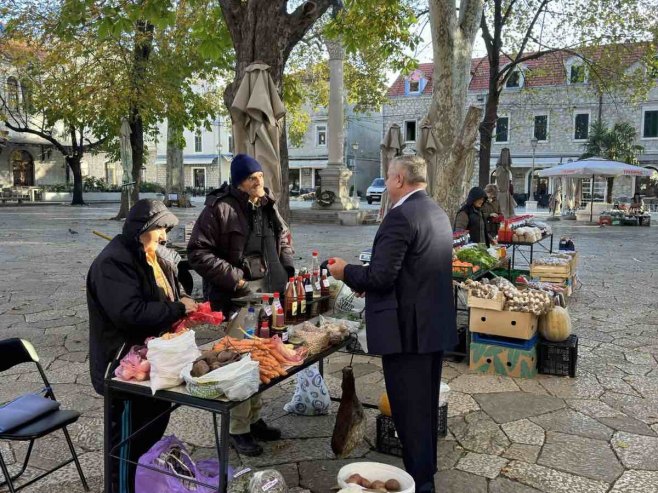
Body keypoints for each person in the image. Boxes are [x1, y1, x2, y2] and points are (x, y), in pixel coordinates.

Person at [328, 155, 456, 493]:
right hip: (431, 327)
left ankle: (421, 483)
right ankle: (425, 471)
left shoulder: (400, 217)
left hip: (407, 332)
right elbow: (412, 272)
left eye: (387, 176)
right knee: (424, 408)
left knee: (409, 412)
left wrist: (345, 272)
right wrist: (365, 279)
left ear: (399, 178)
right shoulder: (437, 212)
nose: (386, 182)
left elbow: (382, 276)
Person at [87, 199, 198, 493]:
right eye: (161, 228)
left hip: (152, 362)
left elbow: (174, 287)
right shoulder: (113, 262)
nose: (164, 235)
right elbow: (130, 313)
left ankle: (143, 484)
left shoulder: (151, 254)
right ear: (143, 228)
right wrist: (177, 309)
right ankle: (121, 489)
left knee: (150, 433)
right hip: (123, 369)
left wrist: (184, 302)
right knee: (126, 445)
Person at [187, 153, 294, 457]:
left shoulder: (268, 204)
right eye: (252, 178)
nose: (259, 182)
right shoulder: (219, 208)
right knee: (241, 361)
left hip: (270, 294)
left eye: (260, 176)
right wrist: (236, 280)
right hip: (238, 297)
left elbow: (283, 238)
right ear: (240, 182)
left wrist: (286, 269)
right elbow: (198, 252)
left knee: (262, 358)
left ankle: (255, 419)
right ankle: (238, 430)